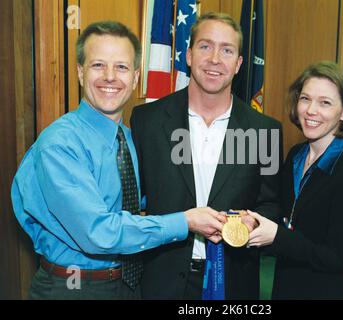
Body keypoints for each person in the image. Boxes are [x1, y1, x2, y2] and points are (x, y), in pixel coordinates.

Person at [10, 21, 225, 300]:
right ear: (80, 71)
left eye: (121, 67)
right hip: (74, 288)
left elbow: (140, 201)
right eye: (98, 65)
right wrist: (184, 221)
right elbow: (98, 232)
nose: (110, 77)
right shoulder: (60, 145)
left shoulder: (130, 138)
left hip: (129, 284)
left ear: (135, 77)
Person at [130, 12, 282, 300]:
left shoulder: (265, 130)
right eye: (205, 46)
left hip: (234, 281)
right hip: (161, 281)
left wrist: (253, 223)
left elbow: (272, 205)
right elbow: (134, 202)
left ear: (238, 64)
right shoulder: (146, 121)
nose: (215, 58)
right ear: (188, 55)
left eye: (226, 50)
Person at [248, 61, 343, 299]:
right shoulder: (296, 154)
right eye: (305, 99)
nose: (311, 110)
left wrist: (278, 237)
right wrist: (253, 221)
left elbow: (335, 259)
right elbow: (285, 217)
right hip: (284, 285)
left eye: (325, 102)